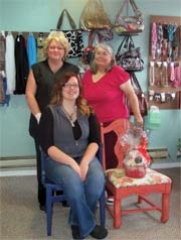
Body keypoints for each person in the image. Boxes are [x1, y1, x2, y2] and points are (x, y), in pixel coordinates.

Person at [37, 72, 108, 240]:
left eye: (75, 85)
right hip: (57, 160)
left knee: (97, 180)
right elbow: (47, 146)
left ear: (80, 88)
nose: (71, 88)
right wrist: (72, 164)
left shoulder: (87, 110)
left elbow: (95, 141)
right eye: (67, 85)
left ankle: (77, 222)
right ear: (60, 89)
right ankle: (88, 225)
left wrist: (84, 162)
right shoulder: (49, 112)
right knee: (73, 182)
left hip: (84, 156)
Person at [81, 43, 143, 203]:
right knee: (95, 157)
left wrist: (137, 115)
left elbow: (131, 94)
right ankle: (96, 187)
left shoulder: (117, 72)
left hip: (116, 123)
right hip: (93, 123)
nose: (101, 56)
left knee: (112, 157)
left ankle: (112, 192)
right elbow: (83, 98)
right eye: (98, 53)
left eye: (105, 53)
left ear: (111, 58)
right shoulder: (88, 74)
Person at [25, 31, 79, 211]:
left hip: (65, 124)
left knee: (66, 158)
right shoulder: (36, 69)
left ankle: (66, 194)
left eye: (59, 47)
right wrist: (40, 117)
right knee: (44, 161)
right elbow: (29, 94)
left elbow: (76, 95)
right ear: (46, 49)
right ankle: (44, 198)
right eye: (52, 47)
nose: (55, 50)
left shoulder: (73, 70)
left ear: (65, 50)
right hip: (41, 123)